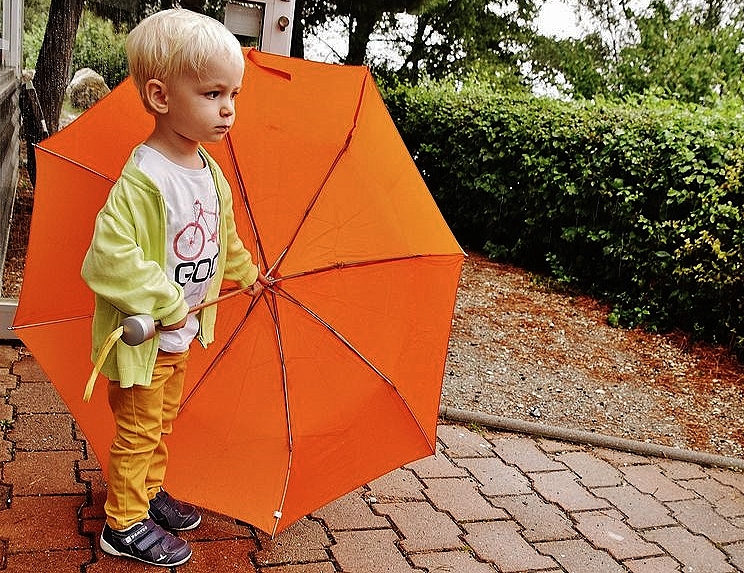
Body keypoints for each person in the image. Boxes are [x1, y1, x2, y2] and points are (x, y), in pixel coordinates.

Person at [81, 8, 268, 567]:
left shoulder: (209, 172)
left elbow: (222, 235)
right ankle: (123, 523)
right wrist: (164, 301)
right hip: (143, 339)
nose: (229, 108)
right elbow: (107, 257)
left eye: (233, 93)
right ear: (161, 97)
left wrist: (247, 271)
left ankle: (148, 491)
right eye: (212, 93)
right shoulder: (144, 178)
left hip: (179, 335)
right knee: (138, 427)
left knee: (162, 421)